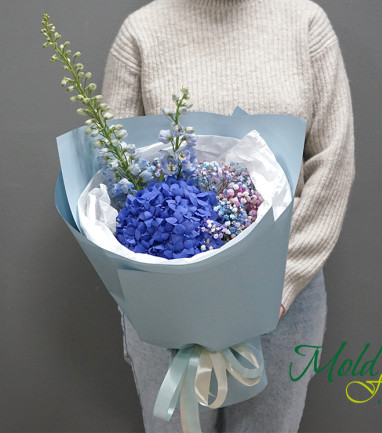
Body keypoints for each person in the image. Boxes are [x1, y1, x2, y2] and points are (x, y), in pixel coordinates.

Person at [102, 0, 355, 431]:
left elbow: (333, 162)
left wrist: (280, 282)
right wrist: (170, 283)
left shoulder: (305, 24)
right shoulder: (140, 34)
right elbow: (112, 170)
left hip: (284, 299)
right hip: (168, 298)